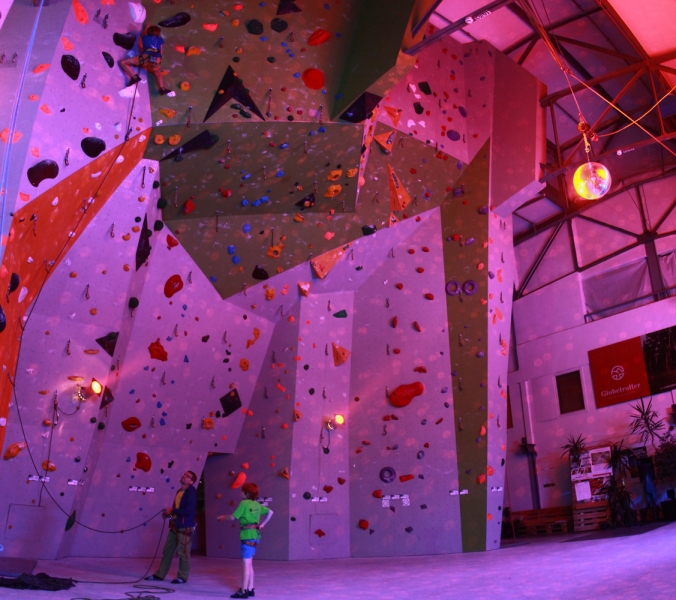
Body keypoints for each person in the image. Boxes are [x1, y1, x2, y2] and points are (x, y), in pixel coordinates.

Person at [218, 482, 273, 599]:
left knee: (245, 564)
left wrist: (223, 517)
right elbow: (270, 512)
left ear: (247, 493)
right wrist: (262, 524)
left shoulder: (243, 503)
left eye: (242, 491)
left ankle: (243, 591)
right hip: (255, 536)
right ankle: (250, 588)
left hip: (247, 535)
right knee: (249, 563)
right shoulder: (256, 504)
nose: (240, 492)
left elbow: (233, 517)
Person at [146, 470, 197, 584]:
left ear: (191, 481)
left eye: (187, 476)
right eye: (184, 474)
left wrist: (172, 510)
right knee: (167, 550)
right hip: (175, 525)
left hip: (185, 527)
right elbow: (177, 509)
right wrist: (169, 514)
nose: (184, 476)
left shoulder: (191, 493)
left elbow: (188, 511)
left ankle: (182, 577)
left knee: (183, 552)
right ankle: (160, 574)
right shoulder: (179, 491)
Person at [119, 25, 173, 95]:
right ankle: (162, 88)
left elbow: (141, 39)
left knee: (123, 63)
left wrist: (146, 28)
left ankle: (134, 77)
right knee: (156, 72)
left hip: (145, 58)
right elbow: (161, 52)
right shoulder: (160, 40)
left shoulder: (145, 37)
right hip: (156, 60)